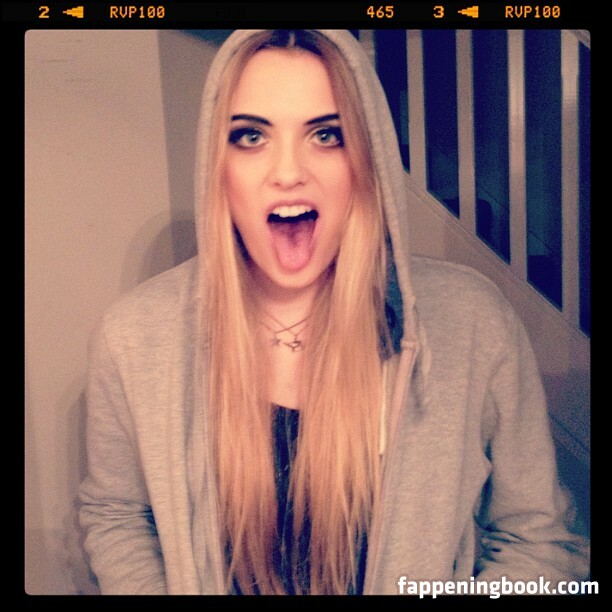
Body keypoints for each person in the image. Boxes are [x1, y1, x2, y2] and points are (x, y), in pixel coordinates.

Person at [78, 29, 589, 595]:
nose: (288, 172)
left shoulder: (470, 321)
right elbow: (116, 515)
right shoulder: (134, 336)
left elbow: (539, 541)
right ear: (216, 164)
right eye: (251, 136)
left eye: (327, 134)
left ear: (367, 160)